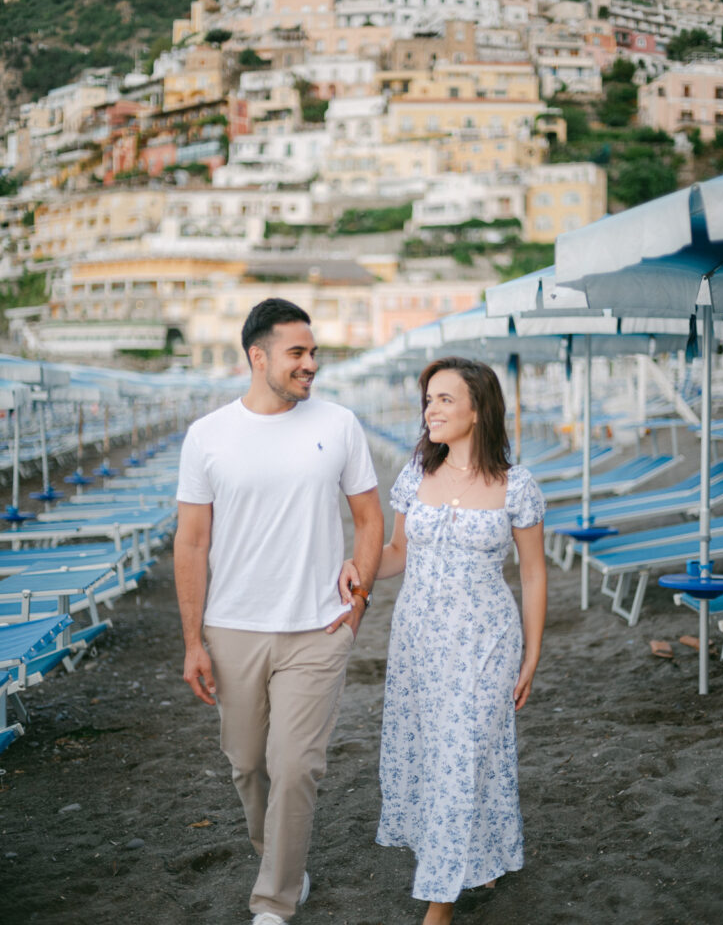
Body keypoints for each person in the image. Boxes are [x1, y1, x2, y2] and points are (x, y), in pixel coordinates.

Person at [174, 297, 384, 925]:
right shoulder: (207, 436)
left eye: (313, 353)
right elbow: (191, 542)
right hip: (233, 628)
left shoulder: (340, 424)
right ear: (257, 356)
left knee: (295, 766)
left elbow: (371, 519)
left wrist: (361, 591)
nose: (310, 364)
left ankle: (274, 900)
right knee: (246, 764)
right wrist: (192, 642)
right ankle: (282, 861)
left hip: (318, 628)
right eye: (297, 353)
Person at [371, 356, 547, 925]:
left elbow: (534, 573)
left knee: (463, 751)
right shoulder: (415, 474)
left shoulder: (515, 485)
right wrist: (354, 565)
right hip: (418, 640)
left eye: (445, 398)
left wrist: (532, 653)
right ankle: (484, 859)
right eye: (428, 399)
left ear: (478, 408)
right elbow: (396, 555)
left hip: (485, 642)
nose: (431, 409)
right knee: (442, 755)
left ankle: (439, 904)